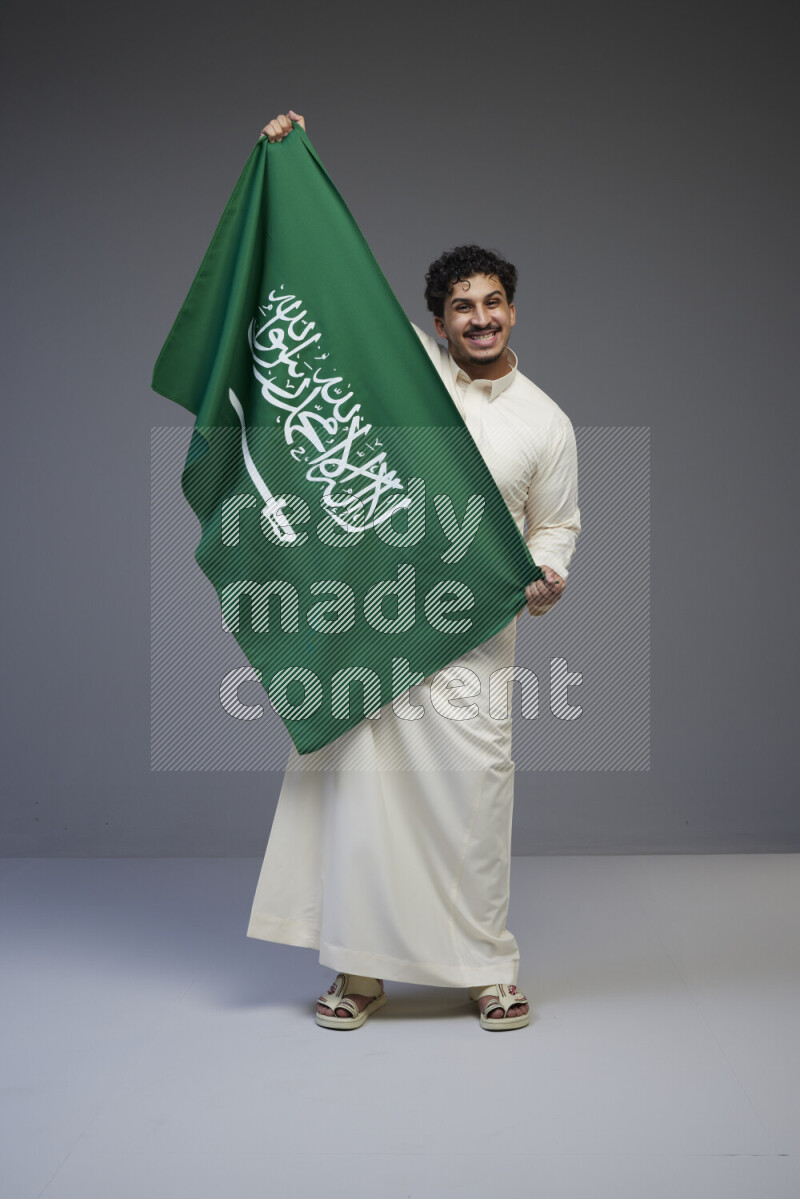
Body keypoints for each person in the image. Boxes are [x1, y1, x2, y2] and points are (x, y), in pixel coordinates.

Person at [247, 111, 581, 1030]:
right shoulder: (406, 374)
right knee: (363, 796)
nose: (480, 318)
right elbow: (324, 294)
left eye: (493, 302)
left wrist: (548, 576)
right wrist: (289, 163)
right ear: (439, 320)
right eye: (461, 307)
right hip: (371, 614)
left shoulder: (545, 423)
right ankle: (360, 971)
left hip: (473, 632)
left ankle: (486, 967)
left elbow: (556, 526)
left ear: (514, 308)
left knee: (474, 801)